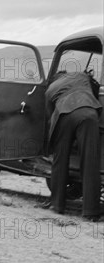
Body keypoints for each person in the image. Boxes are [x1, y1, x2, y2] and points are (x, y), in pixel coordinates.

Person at [45, 70, 102, 221]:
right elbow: (95, 94)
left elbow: (51, 118)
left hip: (63, 115)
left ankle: (57, 205)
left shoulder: (50, 89)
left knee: (60, 159)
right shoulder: (81, 76)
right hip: (89, 113)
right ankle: (91, 212)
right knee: (91, 161)